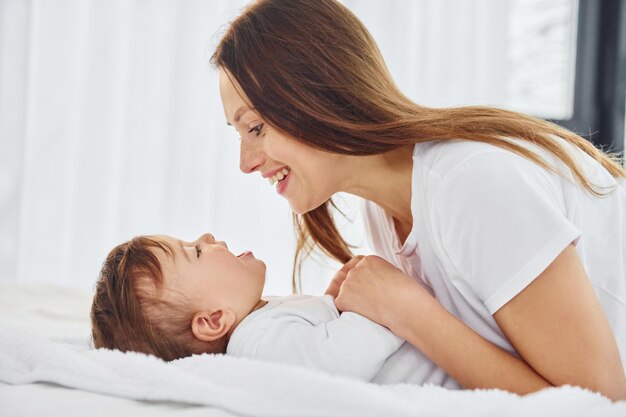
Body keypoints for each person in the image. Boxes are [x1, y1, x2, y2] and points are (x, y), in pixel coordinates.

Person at [211, 0, 626, 400]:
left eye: (256, 128)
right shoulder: (382, 211)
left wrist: (410, 313)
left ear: (316, 95)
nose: (245, 163)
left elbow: (599, 403)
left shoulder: (471, 184)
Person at [90, 233, 460, 387]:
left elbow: (314, 342)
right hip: (451, 375)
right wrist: (379, 303)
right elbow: (339, 361)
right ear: (214, 320)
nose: (205, 237)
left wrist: (334, 301)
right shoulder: (254, 342)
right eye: (195, 252)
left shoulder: (260, 320)